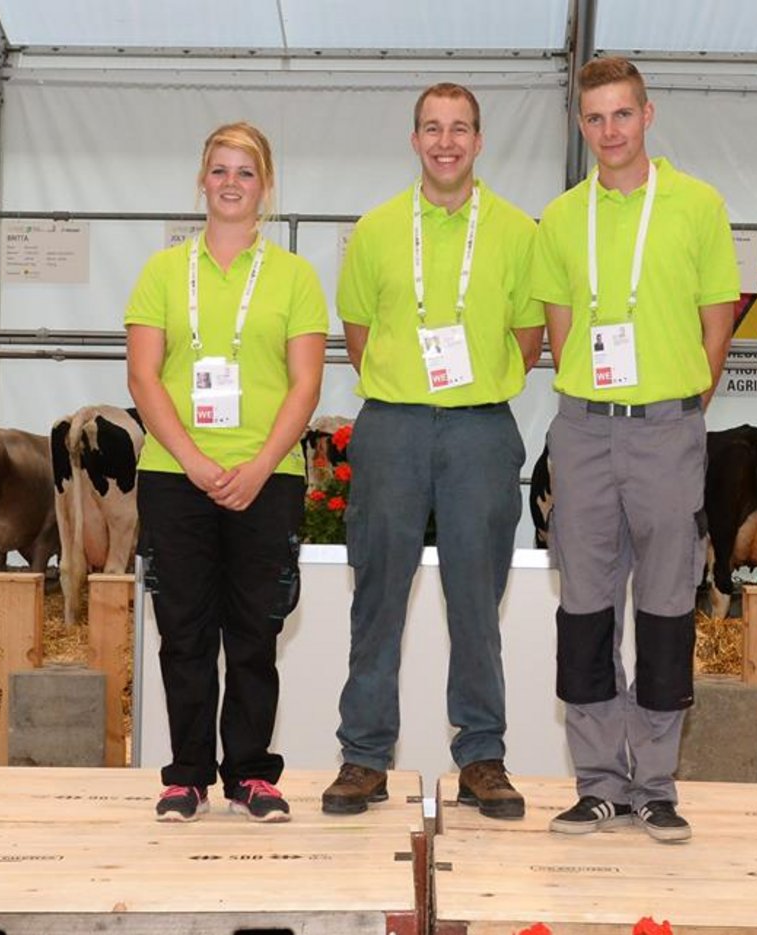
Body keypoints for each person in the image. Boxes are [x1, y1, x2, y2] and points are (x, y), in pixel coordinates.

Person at [321, 83, 544, 819]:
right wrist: (406, 388)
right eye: (432, 129)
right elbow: (358, 335)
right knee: (377, 592)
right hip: (392, 426)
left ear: (480, 141)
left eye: (460, 129)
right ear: (414, 140)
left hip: (481, 429)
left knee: (476, 599)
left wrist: (472, 387)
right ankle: (363, 756)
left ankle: (482, 754)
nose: (445, 142)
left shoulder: (517, 231)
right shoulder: (376, 230)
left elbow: (529, 336)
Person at [532, 57, 739, 842]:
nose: (609, 130)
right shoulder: (561, 217)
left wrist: (682, 405)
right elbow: (559, 333)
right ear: (581, 126)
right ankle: (598, 783)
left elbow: (717, 320)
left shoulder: (697, 206)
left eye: (622, 114)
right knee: (583, 605)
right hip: (583, 427)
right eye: (595, 118)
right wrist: (598, 397)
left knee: (662, 605)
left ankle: (655, 784)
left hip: (667, 429)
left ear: (648, 116)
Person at [126, 122, 328, 823]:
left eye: (245, 172)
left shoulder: (296, 277)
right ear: (202, 181)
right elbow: (144, 377)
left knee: (253, 630)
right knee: (184, 631)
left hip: (266, 479)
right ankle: (186, 773)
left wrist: (258, 465)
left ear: (265, 187)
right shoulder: (160, 272)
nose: (232, 183)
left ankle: (250, 772)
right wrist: (198, 463)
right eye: (220, 170)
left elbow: (306, 385)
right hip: (175, 475)